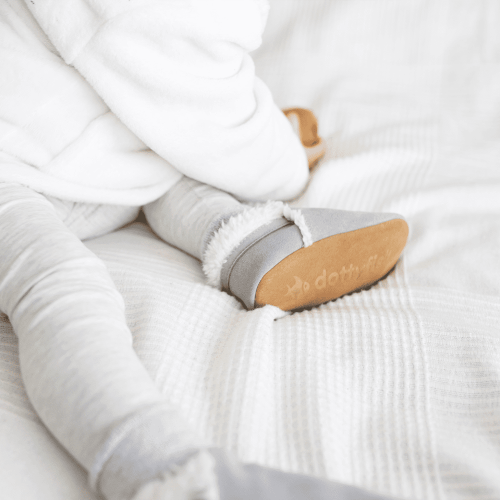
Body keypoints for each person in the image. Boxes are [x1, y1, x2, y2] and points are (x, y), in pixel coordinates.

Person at [0, 1, 407, 499]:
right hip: (13, 168)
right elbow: (208, 114)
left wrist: (260, 122)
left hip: (65, 143)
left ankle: (246, 240)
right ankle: (164, 470)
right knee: (52, 280)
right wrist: (285, 156)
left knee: (164, 157)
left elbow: (188, 86)